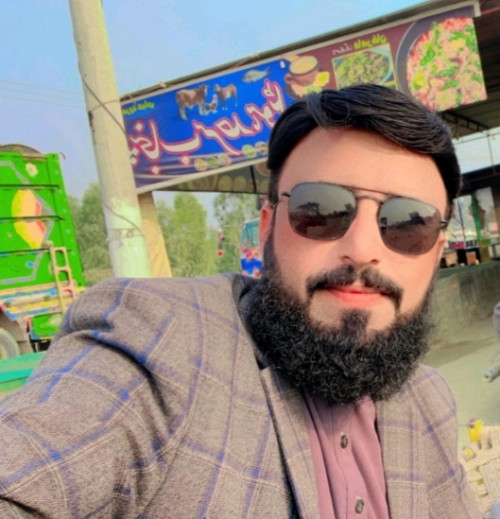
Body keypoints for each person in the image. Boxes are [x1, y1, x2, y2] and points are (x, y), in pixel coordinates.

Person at [0, 84, 482, 518]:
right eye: (320, 210)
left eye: (409, 223)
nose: (362, 248)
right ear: (268, 229)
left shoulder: (428, 400)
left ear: (435, 252)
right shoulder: (159, 341)